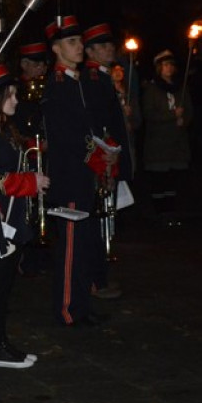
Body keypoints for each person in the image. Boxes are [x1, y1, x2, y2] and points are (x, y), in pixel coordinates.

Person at [0, 64, 48, 367]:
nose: (17, 100)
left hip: (12, 217)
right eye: (11, 94)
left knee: (4, 288)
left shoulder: (3, 127)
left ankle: (0, 343)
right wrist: (31, 182)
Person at [41, 16, 108, 327]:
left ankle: (79, 302)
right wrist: (92, 152)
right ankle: (68, 308)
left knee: (82, 244)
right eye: (71, 42)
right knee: (70, 247)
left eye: (80, 41)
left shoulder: (74, 81)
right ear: (56, 48)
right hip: (68, 177)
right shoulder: (57, 86)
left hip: (82, 176)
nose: (80, 46)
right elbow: (63, 135)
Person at [81, 22, 132, 299]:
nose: (109, 49)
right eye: (102, 46)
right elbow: (97, 125)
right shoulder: (92, 79)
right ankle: (95, 281)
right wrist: (107, 154)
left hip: (107, 155)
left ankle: (99, 278)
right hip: (100, 158)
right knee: (98, 219)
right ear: (90, 51)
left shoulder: (102, 77)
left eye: (110, 45)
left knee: (104, 218)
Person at [142, 50, 193, 222]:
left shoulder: (181, 87)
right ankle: (160, 211)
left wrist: (183, 119)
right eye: (165, 65)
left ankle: (172, 209)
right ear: (159, 68)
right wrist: (172, 115)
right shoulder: (152, 89)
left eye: (171, 65)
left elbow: (189, 110)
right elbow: (149, 114)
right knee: (159, 177)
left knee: (173, 177)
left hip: (176, 141)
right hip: (158, 141)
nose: (169, 68)